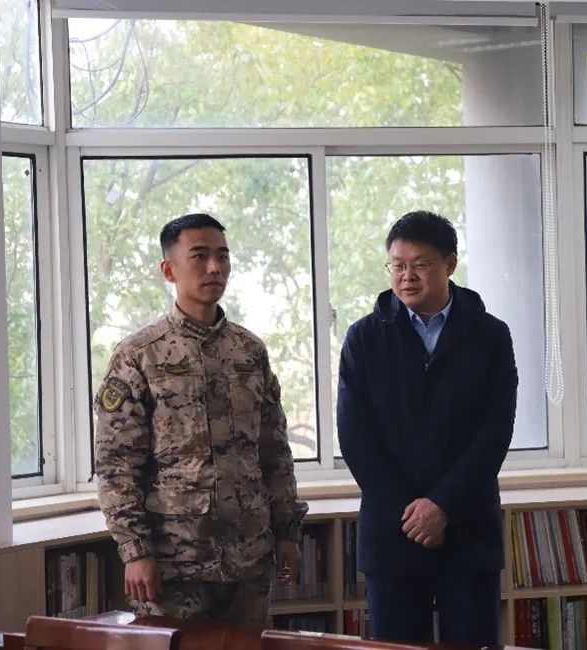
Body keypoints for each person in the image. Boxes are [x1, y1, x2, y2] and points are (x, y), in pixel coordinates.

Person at [94, 213, 307, 625]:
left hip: (249, 557)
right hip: (174, 562)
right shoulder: (139, 354)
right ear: (169, 269)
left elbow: (275, 453)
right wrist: (135, 551)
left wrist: (287, 532)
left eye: (222, 256)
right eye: (200, 256)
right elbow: (116, 465)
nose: (215, 268)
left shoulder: (249, 351)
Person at [337, 210, 518, 644]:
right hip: (393, 529)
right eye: (398, 265)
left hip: (468, 526)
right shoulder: (364, 337)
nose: (407, 277)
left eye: (420, 264)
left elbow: (495, 431)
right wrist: (411, 513)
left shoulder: (490, 335)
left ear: (450, 264)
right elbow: (355, 436)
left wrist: (442, 505)